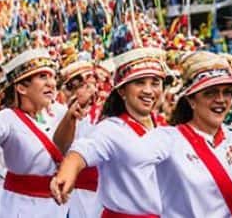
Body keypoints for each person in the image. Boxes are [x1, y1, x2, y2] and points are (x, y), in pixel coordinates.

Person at [0, 49, 89, 217]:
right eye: (43, 77)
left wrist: (72, 116)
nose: (51, 83)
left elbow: (68, 149)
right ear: (22, 88)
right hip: (20, 206)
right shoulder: (7, 118)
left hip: (58, 206)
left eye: (52, 77)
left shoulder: (61, 112)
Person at [156, 52, 232, 218]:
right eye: (210, 93)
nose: (221, 99)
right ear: (192, 100)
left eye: (227, 92)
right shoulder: (167, 140)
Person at [51, 48, 169, 217]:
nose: (148, 90)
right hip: (89, 201)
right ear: (122, 91)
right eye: (139, 82)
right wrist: (67, 171)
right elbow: (82, 150)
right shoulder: (112, 128)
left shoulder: (166, 130)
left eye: (155, 83)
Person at [57, 54, 103, 218]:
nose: (78, 92)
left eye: (85, 85)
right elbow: (59, 148)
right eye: (72, 87)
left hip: (96, 195)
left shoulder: (105, 114)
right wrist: (69, 118)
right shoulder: (60, 113)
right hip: (70, 194)